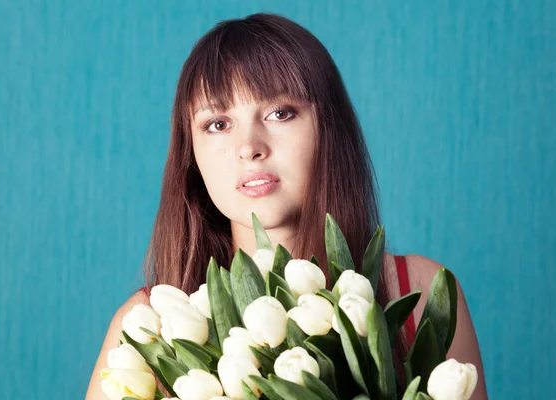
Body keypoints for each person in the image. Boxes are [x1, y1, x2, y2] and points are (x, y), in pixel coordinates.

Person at [86, 12, 488, 399]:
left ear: (328, 129)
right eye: (218, 124)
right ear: (191, 153)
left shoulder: (417, 292)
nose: (249, 147)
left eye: (280, 113)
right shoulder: (145, 328)